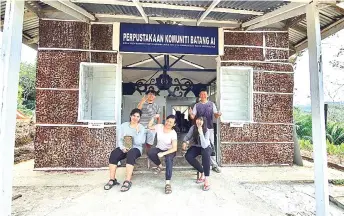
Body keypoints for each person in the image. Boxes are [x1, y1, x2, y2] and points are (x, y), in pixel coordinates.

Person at [104, 108, 146, 192]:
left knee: (131, 153)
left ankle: (127, 181)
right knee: (114, 154)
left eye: (138, 116)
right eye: (134, 115)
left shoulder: (141, 127)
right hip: (124, 147)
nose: (135, 118)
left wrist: (137, 132)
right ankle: (112, 179)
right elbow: (119, 139)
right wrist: (122, 148)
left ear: (139, 118)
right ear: (130, 116)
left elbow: (140, 142)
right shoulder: (123, 126)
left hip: (136, 148)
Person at [189, 89, 222, 173]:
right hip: (199, 129)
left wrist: (218, 114)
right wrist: (190, 114)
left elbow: (216, 115)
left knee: (211, 146)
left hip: (209, 128)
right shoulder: (197, 105)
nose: (203, 96)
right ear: (199, 96)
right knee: (199, 145)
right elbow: (193, 117)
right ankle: (200, 165)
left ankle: (214, 165)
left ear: (207, 95)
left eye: (204, 94)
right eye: (201, 94)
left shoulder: (212, 104)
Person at [147, 115, 178, 194]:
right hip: (159, 148)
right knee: (150, 152)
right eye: (167, 121)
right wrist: (153, 117)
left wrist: (163, 153)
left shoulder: (173, 133)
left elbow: (174, 148)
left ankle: (167, 183)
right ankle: (160, 166)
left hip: (169, 150)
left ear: (174, 124)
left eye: (171, 122)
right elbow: (149, 126)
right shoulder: (160, 127)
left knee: (168, 159)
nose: (168, 123)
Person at [183, 116, 211, 191]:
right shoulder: (193, 128)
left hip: (205, 147)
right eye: (197, 119)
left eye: (201, 120)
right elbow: (187, 136)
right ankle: (202, 172)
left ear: (204, 122)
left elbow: (204, 145)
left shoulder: (207, 131)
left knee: (206, 155)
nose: (198, 121)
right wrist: (185, 142)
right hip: (196, 147)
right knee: (188, 156)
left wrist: (201, 133)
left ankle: (206, 179)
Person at [137, 89, 160, 154]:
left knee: (150, 142)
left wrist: (158, 126)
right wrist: (142, 100)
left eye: (153, 94)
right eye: (150, 94)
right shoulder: (142, 103)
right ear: (147, 95)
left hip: (152, 127)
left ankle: (148, 154)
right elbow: (138, 110)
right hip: (142, 126)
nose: (151, 95)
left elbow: (158, 117)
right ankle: (138, 153)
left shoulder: (156, 106)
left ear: (155, 97)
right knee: (140, 141)